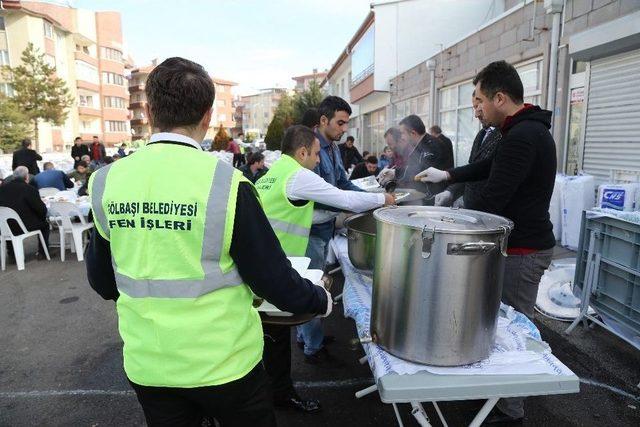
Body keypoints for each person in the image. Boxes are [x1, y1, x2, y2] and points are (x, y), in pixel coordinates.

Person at [84, 57, 331, 427]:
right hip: (224, 364)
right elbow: (272, 279)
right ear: (207, 114)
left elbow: (104, 281)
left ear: (150, 112)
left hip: (151, 364)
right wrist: (320, 298)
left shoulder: (106, 181)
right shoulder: (227, 184)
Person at [416, 60, 557, 424]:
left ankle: (511, 412)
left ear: (499, 97)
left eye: (479, 100)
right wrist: (447, 175)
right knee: (496, 323)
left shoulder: (525, 135)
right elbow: (487, 167)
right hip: (515, 245)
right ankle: (494, 396)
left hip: (524, 250)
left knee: (512, 332)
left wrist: (452, 212)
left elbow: (492, 196)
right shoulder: (518, 130)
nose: (476, 108)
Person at [256, 125, 392, 413]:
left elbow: (290, 209)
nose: (318, 161)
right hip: (277, 265)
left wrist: (333, 214)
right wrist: (384, 199)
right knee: (275, 339)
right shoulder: (297, 175)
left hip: (268, 264)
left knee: (271, 339)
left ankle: (275, 393)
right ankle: (278, 396)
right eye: (316, 154)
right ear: (302, 152)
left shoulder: (274, 174)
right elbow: (344, 197)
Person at [299, 96, 367, 365]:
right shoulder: (308, 150)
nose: (344, 129)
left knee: (316, 283)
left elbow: (341, 182)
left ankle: (308, 337)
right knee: (311, 287)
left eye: (346, 124)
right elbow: (319, 194)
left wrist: (367, 200)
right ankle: (312, 348)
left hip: (324, 228)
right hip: (310, 230)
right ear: (323, 121)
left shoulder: (334, 149)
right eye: (340, 123)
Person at [434, 92, 502, 207]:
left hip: (487, 211)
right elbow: (472, 168)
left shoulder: (507, 134)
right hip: (470, 206)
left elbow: (487, 171)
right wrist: (450, 191)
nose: (476, 114)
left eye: (478, 106)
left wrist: (447, 175)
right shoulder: (482, 134)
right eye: (474, 107)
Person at [378, 115, 450, 203]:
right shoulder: (418, 147)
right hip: (423, 196)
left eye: (402, 133)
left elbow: (423, 171)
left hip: (437, 198)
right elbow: (412, 168)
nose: (401, 137)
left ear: (413, 133)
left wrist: (395, 173)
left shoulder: (433, 145)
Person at [0, 166, 49, 257]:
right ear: (26, 177)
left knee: (8, 224)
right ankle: (43, 252)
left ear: (13, 176)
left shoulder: (2, 189)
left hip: (4, 226)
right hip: (24, 225)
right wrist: (41, 217)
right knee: (45, 225)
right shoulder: (29, 189)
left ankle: (12, 253)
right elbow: (41, 209)